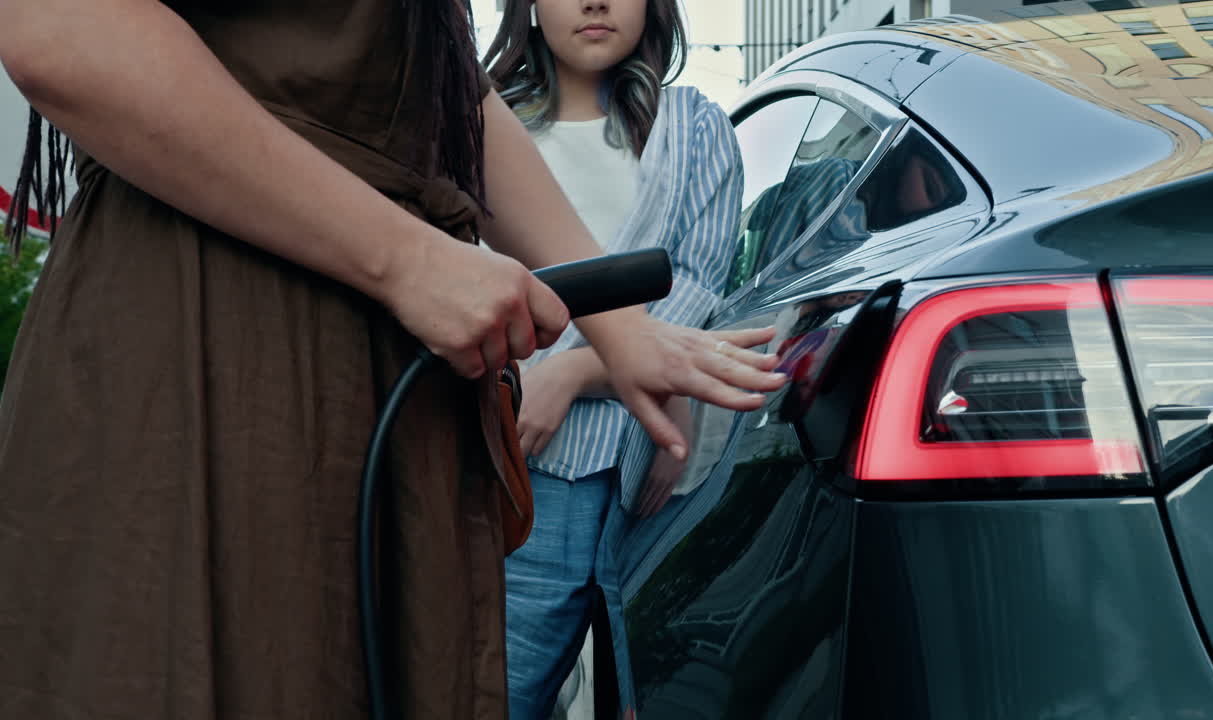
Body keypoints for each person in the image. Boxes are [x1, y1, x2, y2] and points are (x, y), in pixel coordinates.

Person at [0, 1, 785, 717]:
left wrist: (620, 328)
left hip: (387, 391)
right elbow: (57, 25)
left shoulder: (688, 126)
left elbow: (444, 90)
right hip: (210, 349)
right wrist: (406, 260)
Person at [483, 1, 744, 717]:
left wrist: (570, 374)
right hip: (525, 473)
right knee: (502, 694)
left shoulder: (692, 129)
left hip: (648, 469)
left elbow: (695, 286)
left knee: (663, 699)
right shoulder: (483, 128)